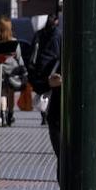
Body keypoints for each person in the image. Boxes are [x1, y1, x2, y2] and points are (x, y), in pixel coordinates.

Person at [30, 13, 62, 168]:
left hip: (56, 113)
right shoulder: (57, 37)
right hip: (58, 111)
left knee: (62, 159)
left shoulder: (43, 36)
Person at [0, 15, 24, 126]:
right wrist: (22, 69)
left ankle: (2, 115)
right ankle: (10, 114)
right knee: (10, 93)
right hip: (11, 71)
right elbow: (19, 57)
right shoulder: (13, 41)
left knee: (1, 93)